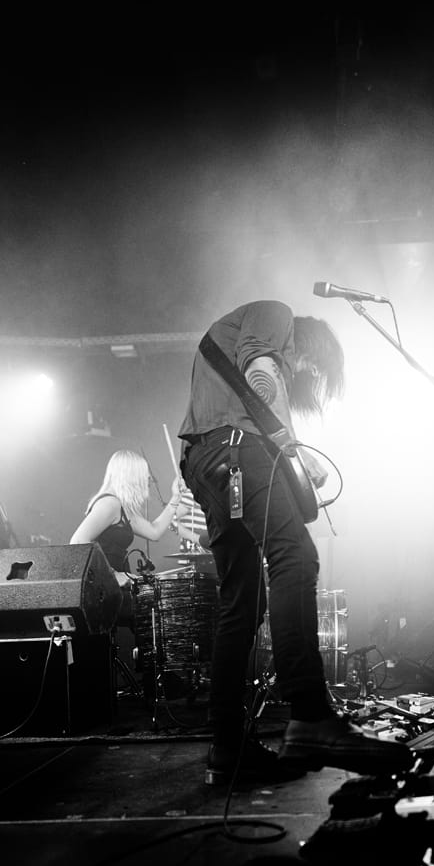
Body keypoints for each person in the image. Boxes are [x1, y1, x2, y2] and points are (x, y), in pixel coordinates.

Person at [177, 299, 411, 785]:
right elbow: (261, 373)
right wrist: (295, 450)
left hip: (206, 461)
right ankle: (310, 716)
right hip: (235, 449)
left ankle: (227, 746)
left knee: (242, 602)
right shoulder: (274, 313)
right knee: (296, 557)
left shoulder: (230, 344)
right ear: (308, 345)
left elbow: (255, 387)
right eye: (314, 367)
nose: (307, 375)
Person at [70, 449, 185, 586]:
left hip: (115, 584)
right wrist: (113, 574)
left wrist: (175, 498)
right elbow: (78, 542)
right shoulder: (110, 503)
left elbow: (154, 532)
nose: (149, 478)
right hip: (103, 586)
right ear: (132, 476)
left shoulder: (120, 507)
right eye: (144, 473)